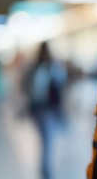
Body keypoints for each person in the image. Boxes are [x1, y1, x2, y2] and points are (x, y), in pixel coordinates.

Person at [23, 41, 67, 179]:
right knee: (47, 142)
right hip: (48, 109)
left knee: (44, 141)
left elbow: (26, 87)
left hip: (37, 109)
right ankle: (46, 173)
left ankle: (45, 171)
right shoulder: (53, 67)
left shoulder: (33, 67)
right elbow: (60, 85)